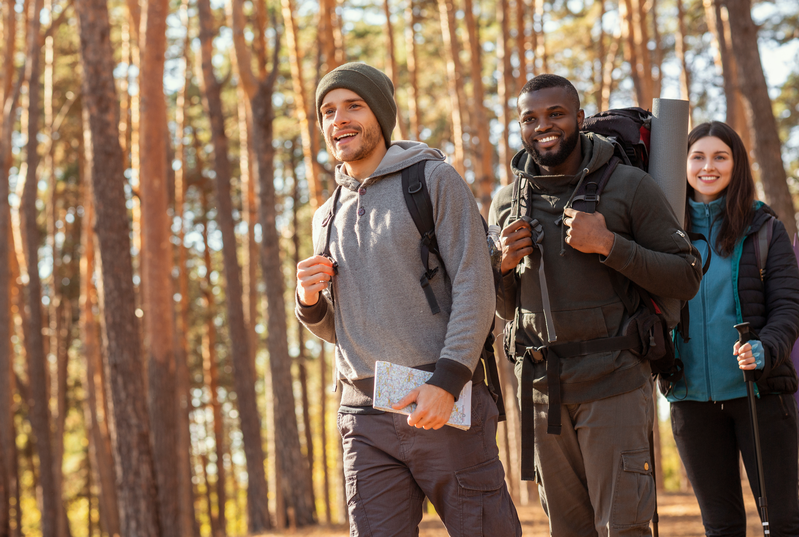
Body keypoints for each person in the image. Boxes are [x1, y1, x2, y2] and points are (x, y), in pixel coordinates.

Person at [295, 62, 521, 537]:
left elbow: (475, 284)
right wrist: (309, 301)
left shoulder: (433, 180)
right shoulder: (325, 215)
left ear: (380, 113)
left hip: (441, 399)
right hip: (363, 416)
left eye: (353, 106)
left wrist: (448, 381)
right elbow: (343, 328)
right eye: (328, 111)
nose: (339, 119)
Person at [489, 74, 702, 536]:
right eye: (530, 118)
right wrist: (502, 267)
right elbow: (506, 309)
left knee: (622, 527)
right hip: (542, 393)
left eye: (556, 114)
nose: (543, 126)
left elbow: (685, 275)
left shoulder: (629, 186)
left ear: (580, 119)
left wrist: (609, 245)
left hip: (615, 383)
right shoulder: (507, 201)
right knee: (567, 530)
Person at [666, 121, 799, 536]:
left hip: (760, 393)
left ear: (736, 164)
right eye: (698, 157)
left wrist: (766, 348)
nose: (708, 166)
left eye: (720, 157)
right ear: (683, 164)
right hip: (690, 401)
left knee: (783, 524)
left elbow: (788, 307)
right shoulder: (665, 231)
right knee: (721, 527)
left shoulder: (764, 228)